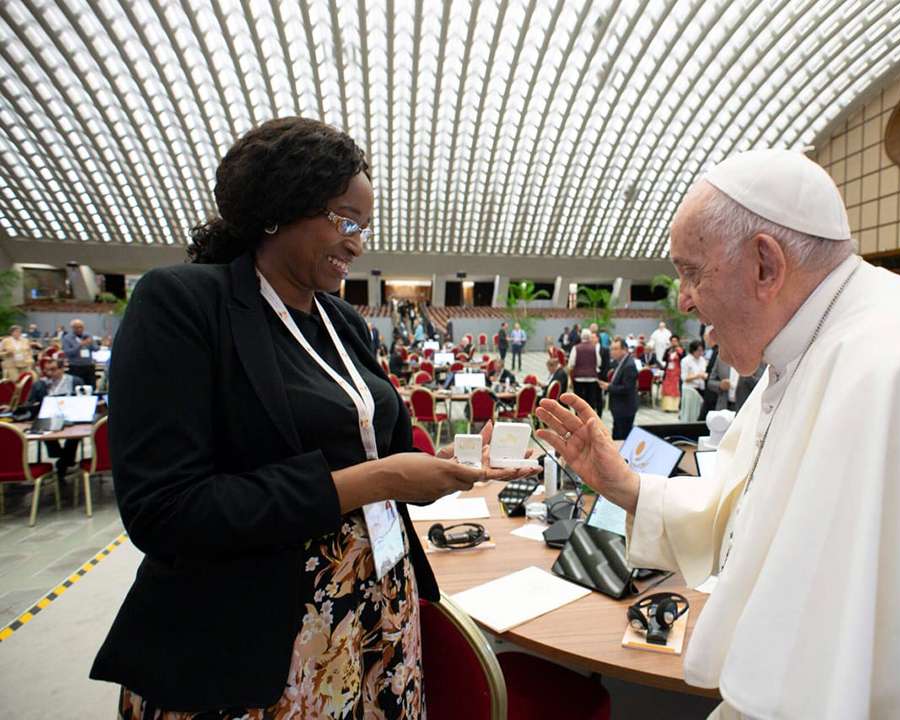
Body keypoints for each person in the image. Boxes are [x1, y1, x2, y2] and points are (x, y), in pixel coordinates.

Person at [536, 148, 900, 719]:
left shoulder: (896, 373)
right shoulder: (809, 350)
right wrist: (626, 485)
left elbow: (892, 673)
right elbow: (751, 512)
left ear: (766, 266)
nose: (685, 301)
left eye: (692, 273)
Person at [90, 117, 537, 718]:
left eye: (363, 228)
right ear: (279, 208)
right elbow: (164, 509)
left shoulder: (342, 322)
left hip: (375, 610)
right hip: (257, 632)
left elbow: (384, 456)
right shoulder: (186, 303)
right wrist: (381, 482)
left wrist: (446, 466)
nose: (355, 242)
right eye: (343, 219)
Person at [27, 358, 83, 486]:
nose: (49, 373)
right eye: (46, 370)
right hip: (47, 420)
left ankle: (64, 461)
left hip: (71, 419)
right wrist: (35, 406)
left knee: (74, 435)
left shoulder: (75, 381)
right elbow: (29, 404)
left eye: (53, 370)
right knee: (46, 434)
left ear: (62, 368)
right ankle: (63, 459)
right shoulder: (40, 384)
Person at [599, 338, 638, 440]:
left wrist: (609, 387)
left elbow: (626, 388)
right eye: (612, 349)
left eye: (616, 349)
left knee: (622, 438)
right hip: (618, 408)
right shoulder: (619, 363)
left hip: (625, 408)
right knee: (616, 435)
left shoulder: (629, 365)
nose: (612, 352)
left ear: (624, 349)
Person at [567, 328, 602, 415]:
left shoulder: (576, 348)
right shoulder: (594, 348)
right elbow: (599, 362)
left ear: (581, 337)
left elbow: (571, 362)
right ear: (590, 337)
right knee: (590, 400)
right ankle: (590, 416)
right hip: (592, 378)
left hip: (579, 378)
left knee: (578, 400)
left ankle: (578, 417)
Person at [61, 319, 98, 388]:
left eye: (81, 327)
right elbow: (68, 353)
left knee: (91, 387)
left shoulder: (88, 336)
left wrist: (91, 344)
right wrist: (80, 345)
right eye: (77, 327)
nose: (79, 329)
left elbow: (96, 349)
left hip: (88, 365)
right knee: (77, 387)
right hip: (75, 366)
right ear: (73, 328)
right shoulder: (67, 338)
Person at [659, 335, 684, 412]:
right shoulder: (668, 350)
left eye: (675, 341)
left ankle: (676, 407)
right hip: (668, 372)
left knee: (675, 389)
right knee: (667, 388)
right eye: (672, 341)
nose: (673, 343)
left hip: (677, 372)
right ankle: (667, 406)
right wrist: (668, 353)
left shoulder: (681, 350)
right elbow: (663, 359)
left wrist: (678, 352)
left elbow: (683, 359)